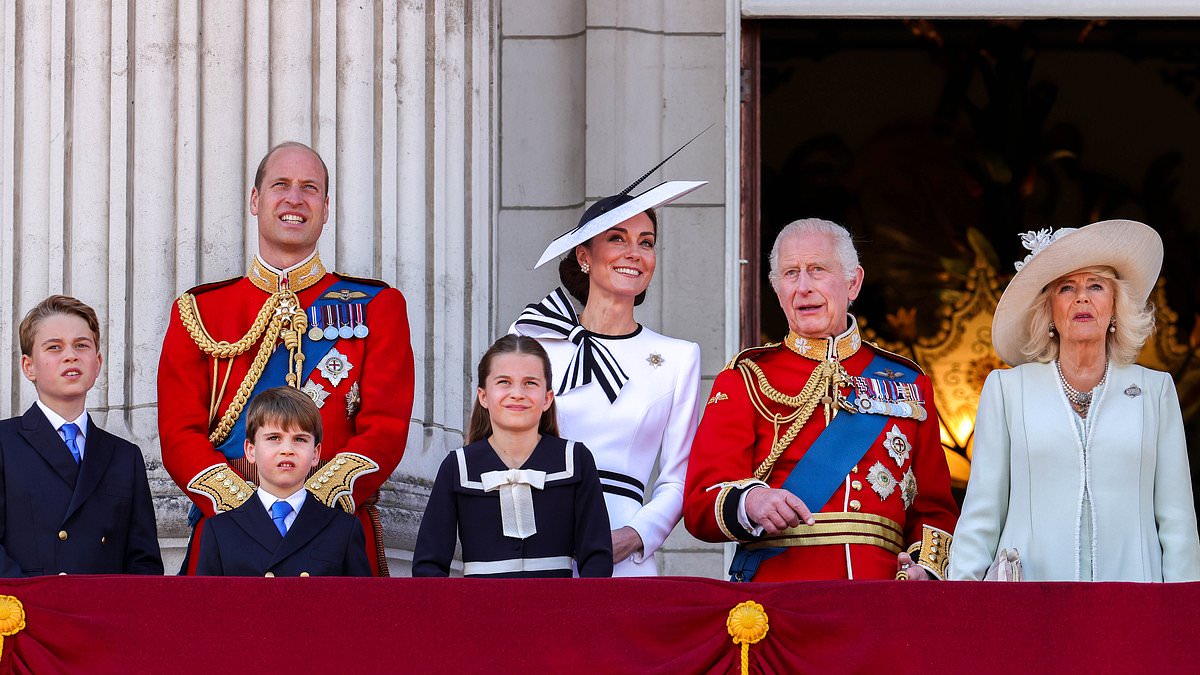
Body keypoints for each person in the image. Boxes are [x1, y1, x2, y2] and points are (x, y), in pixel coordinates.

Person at [158, 141, 415, 575]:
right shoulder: (200, 311)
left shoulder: (377, 306)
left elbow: (386, 427)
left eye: (309, 188)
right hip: (227, 532)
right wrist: (246, 508)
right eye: (281, 185)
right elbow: (179, 432)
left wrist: (310, 504)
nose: (294, 199)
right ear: (255, 201)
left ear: (326, 207)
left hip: (335, 535)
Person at [683, 219, 959, 582]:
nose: (803, 288)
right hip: (779, 601)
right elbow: (701, 503)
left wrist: (925, 568)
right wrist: (750, 502)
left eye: (817, 270)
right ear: (776, 289)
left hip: (882, 598)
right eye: (790, 274)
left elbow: (935, 509)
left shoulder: (909, 381)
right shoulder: (745, 377)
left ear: (853, 282)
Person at [949, 220, 1200, 581]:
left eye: (1096, 286)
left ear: (1115, 306)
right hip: (1030, 601)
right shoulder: (1007, 390)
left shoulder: (1155, 391)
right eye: (1067, 288)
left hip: (1133, 602)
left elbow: (1177, 522)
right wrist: (963, 603)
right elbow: (982, 514)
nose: (1082, 297)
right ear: (1049, 309)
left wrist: (1183, 614)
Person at [511, 168, 706, 576]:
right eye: (617, 238)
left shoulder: (677, 357)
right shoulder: (533, 340)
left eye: (646, 243)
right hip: (530, 535)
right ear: (584, 256)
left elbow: (678, 477)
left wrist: (635, 534)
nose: (634, 252)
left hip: (623, 551)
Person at [412, 335, 612, 578]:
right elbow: (429, 564)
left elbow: (597, 558)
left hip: (560, 610)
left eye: (530, 383)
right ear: (483, 396)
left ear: (547, 398)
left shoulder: (575, 459)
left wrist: (582, 613)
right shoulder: (458, 466)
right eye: (504, 382)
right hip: (480, 611)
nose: (517, 393)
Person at [0, 295, 163, 577]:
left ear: (97, 363)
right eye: (54, 347)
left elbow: (143, 563)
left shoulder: (125, 456)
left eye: (81, 345)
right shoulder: (4, 442)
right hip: (25, 614)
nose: (70, 355)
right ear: (29, 367)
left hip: (103, 615)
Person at [196, 387, 371, 576]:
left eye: (300, 439)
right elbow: (208, 604)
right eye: (274, 438)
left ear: (315, 454)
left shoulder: (343, 529)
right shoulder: (220, 531)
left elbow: (359, 603)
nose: (287, 450)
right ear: (250, 450)